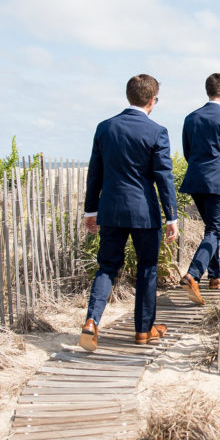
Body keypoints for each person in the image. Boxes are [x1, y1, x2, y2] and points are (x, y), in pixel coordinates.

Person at [80, 74, 178, 351]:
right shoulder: (157, 131)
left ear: (129, 96)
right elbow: (163, 177)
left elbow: (94, 174)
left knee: (107, 266)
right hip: (144, 213)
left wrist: (91, 210)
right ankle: (143, 330)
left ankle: (91, 322)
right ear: (151, 100)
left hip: (110, 209)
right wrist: (172, 216)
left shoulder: (105, 128)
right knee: (147, 268)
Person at [178, 73, 220, 307]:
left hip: (195, 179)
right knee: (216, 230)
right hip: (217, 181)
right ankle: (193, 274)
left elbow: (187, 151)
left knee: (210, 230)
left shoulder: (190, 118)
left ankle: (215, 276)